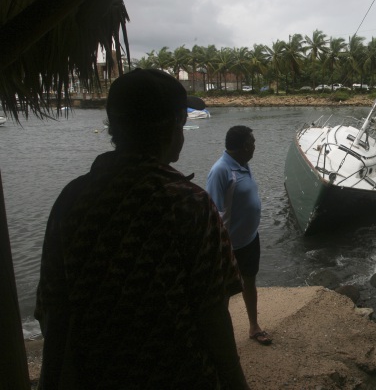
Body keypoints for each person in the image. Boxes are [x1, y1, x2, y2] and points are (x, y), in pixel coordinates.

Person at [34, 69, 249, 389]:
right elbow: (212, 314)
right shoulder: (187, 204)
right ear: (170, 127)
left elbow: (53, 310)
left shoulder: (72, 199)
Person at [206, 126, 271, 346]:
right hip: (229, 244)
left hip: (250, 239)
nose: (254, 147)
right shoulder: (221, 171)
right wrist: (218, 244)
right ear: (244, 146)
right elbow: (213, 210)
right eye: (252, 143)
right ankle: (219, 336)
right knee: (223, 290)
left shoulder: (243, 165)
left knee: (249, 282)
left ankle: (254, 327)